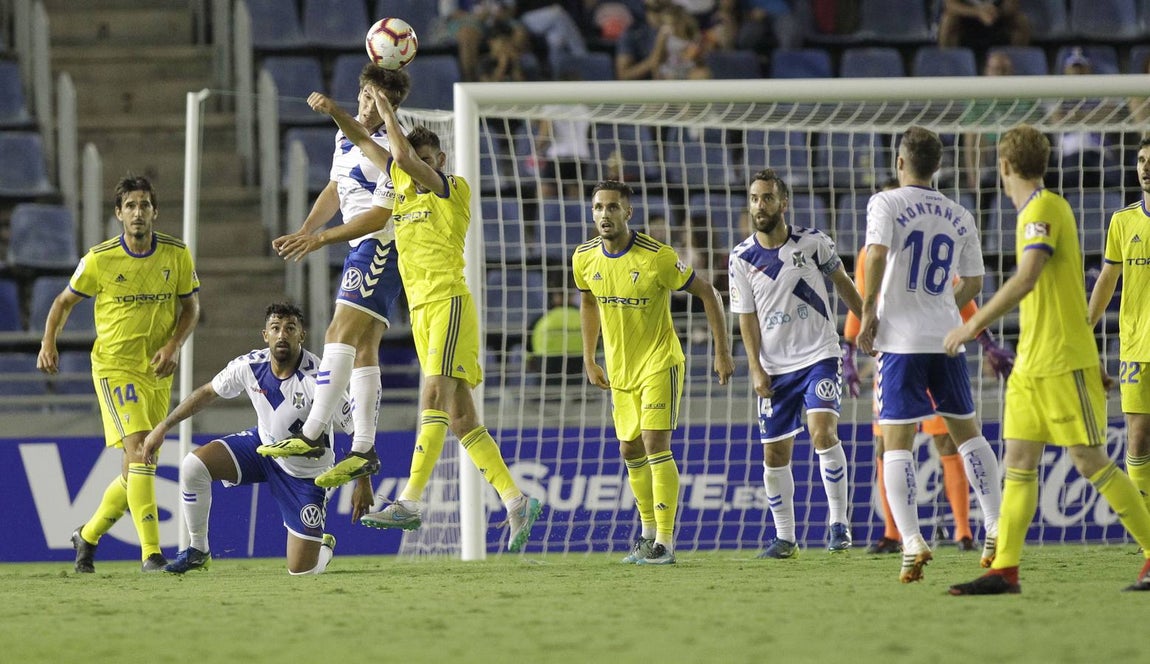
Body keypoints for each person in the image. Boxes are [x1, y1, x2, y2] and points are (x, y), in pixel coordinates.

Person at [301, 87, 543, 552]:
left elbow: (402, 157)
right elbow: (372, 145)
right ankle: (515, 501)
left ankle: (410, 501)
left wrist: (389, 110)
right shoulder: (401, 195)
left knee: (430, 394)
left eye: (430, 157)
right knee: (461, 418)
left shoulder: (451, 188)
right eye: (417, 156)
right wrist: (337, 113)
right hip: (424, 315)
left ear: (442, 159)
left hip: (449, 304)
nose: (421, 162)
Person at [945, 124, 1150, 595]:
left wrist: (971, 326)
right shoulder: (1032, 211)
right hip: (1030, 365)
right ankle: (1005, 570)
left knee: (1089, 461)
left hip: (1061, 361)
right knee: (1017, 461)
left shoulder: (1047, 207)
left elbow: (1028, 277)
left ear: (1003, 166)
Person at [857, 126, 1003, 584]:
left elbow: (876, 253)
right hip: (946, 338)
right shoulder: (959, 214)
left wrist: (868, 312)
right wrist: (942, 308)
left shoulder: (886, 202)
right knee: (969, 435)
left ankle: (912, 541)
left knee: (896, 444)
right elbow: (976, 283)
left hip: (899, 342)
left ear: (901, 163)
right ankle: (996, 524)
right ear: (938, 166)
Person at [37, 175, 201, 573]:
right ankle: (151, 555)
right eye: (130, 206)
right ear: (118, 214)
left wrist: (173, 345)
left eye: (145, 205)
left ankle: (88, 536)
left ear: (155, 212)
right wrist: (48, 342)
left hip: (157, 370)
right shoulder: (100, 259)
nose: (138, 212)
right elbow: (62, 302)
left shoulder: (177, 254)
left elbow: (191, 308)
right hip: (114, 366)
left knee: (137, 468)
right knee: (142, 449)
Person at [138, 303, 373, 575]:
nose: (282, 335)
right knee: (193, 466)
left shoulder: (319, 378)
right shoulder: (250, 365)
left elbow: (357, 430)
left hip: (305, 475)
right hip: (263, 449)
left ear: (302, 335)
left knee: (301, 572)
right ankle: (198, 550)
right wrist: (163, 427)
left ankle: (323, 548)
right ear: (265, 335)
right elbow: (206, 391)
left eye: (290, 328)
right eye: (276, 328)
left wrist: (362, 482)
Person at [259, 65, 409, 481]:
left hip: (380, 248)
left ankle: (312, 431)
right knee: (363, 348)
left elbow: (380, 217)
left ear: (391, 106)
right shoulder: (344, 135)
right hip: (361, 248)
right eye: (364, 95)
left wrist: (321, 240)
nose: (367, 105)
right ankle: (363, 447)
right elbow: (335, 188)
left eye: (378, 100)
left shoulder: (396, 150)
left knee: (336, 335)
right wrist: (307, 230)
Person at [574, 179, 735, 565]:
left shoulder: (657, 256)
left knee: (653, 444)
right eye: (598, 207)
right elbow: (588, 302)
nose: (604, 214)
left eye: (613, 207)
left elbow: (708, 292)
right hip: (620, 370)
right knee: (628, 448)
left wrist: (722, 351)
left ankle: (665, 542)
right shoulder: (583, 257)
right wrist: (589, 357)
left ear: (628, 212)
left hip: (660, 362)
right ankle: (646, 535)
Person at [728, 169, 864, 558]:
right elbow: (746, 317)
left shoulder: (814, 243)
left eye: (767, 198)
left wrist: (867, 326)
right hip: (774, 368)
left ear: (783, 203)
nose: (760, 206)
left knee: (822, 433)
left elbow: (843, 284)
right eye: (754, 198)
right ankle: (785, 538)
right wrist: (755, 366)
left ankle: (839, 524)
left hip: (819, 355)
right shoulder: (741, 258)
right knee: (774, 455)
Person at [1088, 136, 1150, 515]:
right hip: (1136, 347)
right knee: (1138, 438)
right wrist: (1085, 326)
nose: (1146, 166)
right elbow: (1107, 279)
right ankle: (1146, 527)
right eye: (1141, 159)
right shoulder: (1123, 221)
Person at [937, 0, 1029, 55]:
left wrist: (997, 12)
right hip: (966, 21)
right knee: (948, 20)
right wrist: (978, 12)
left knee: (1021, 21)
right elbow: (949, 4)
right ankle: (947, 62)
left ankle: (1018, 63)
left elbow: (1012, 5)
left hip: (997, 18)